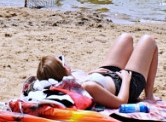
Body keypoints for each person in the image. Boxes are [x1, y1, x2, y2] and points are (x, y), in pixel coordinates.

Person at [29, 26, 158, 110]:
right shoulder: (88, 87)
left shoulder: (70, 79)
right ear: (64, 69)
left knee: (126, 37)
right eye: (61, 59)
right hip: (127, 85)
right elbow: (120, 102)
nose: (64, 59)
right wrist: (125, 79)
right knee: (149, 41)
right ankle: (149, 95)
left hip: (106, 73)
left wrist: (93, 74)